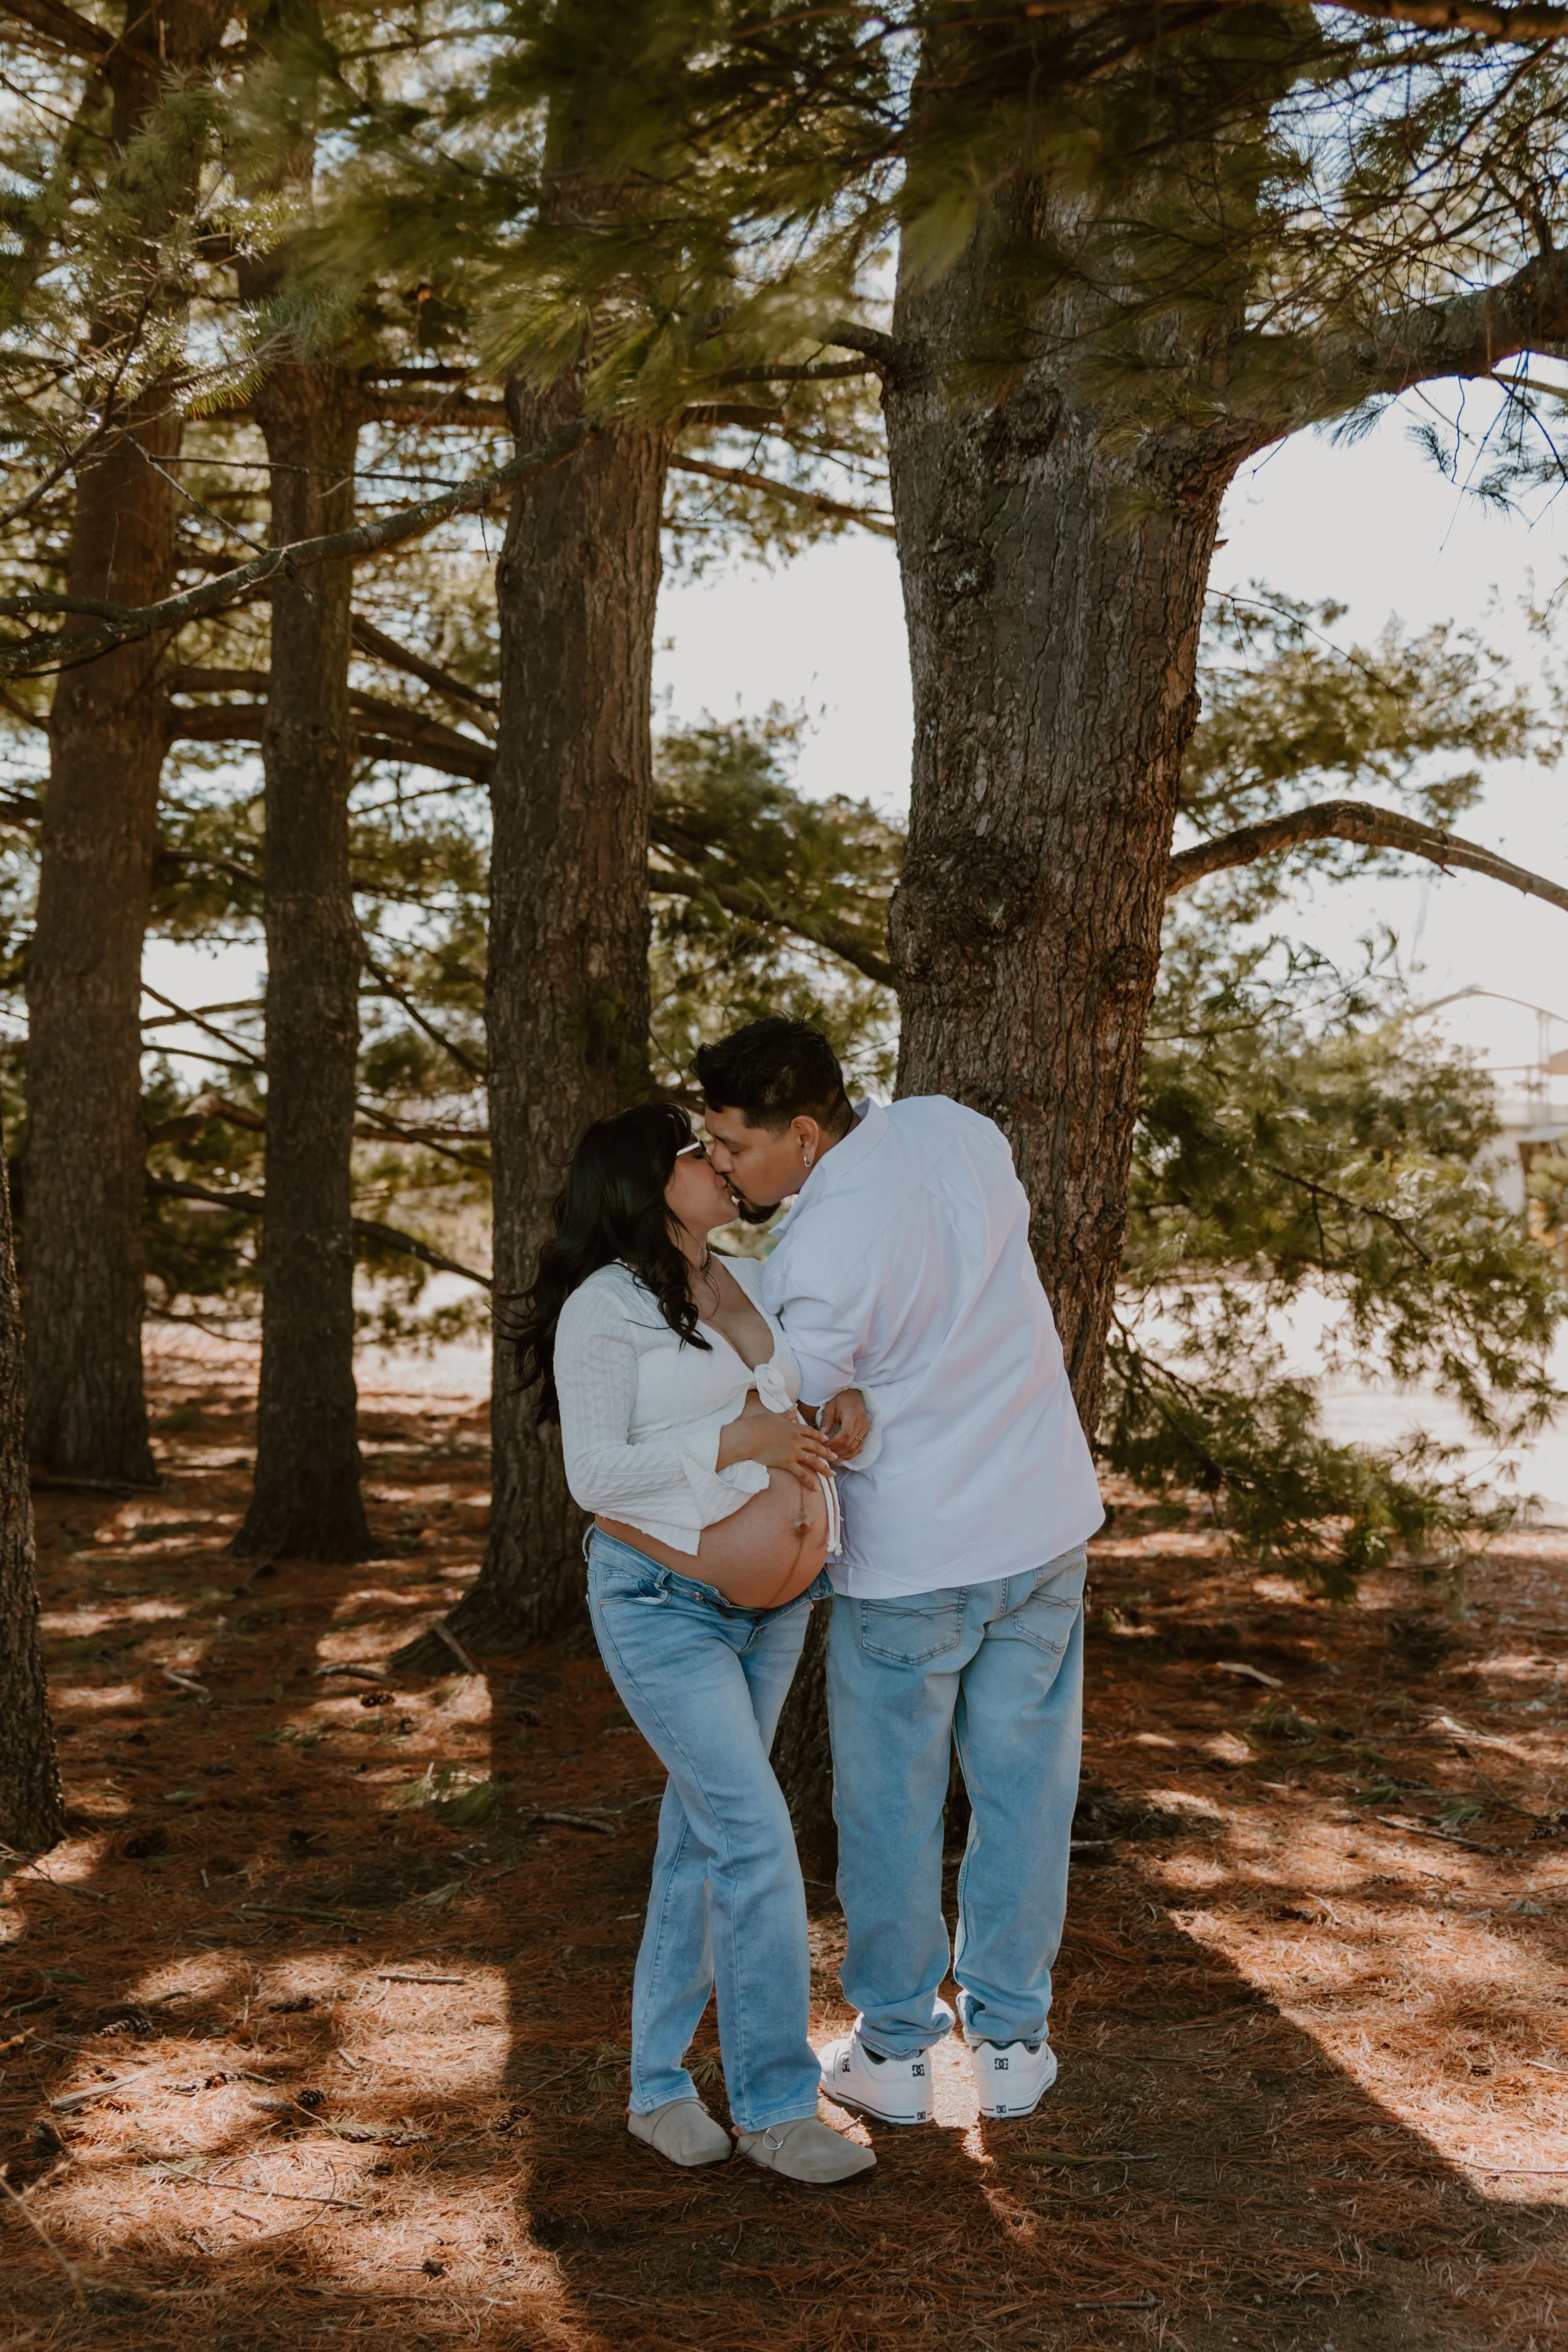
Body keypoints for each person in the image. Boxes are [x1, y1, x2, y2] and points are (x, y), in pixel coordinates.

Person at [696, 1019, 1104, 2127]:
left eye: (733, 1143)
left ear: (804, 1132)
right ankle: (1014, 2039)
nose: (722, 1163)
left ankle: (894, 2050)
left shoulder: (821, 1251)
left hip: (917, 1561)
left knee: (890, 1809)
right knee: (1027, 1794)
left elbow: (784, 1389)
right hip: (1042, 1528)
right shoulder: (956, 1130)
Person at [509, 1099, 876, 2183]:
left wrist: (840, 1409)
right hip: (664, 1603)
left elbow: (801, 1396)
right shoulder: (602, 1310)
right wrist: (740, 1438)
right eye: (690, 1151)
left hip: (776, 1610)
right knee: (755, 1837)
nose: (715, 1163)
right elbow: (594, 1475)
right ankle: (773, 2107)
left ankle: (657, 2088)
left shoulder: (746, 1280)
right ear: (640, 1181)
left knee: (703, 1840)